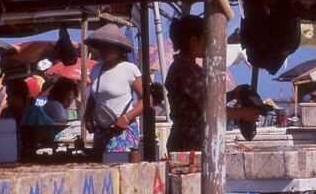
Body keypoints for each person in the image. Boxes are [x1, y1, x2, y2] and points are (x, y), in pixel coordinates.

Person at [164, 15, 262, 152]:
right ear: (193, 40)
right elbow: (210, 108)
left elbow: (206, 101)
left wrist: (233, 94)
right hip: (189, 144)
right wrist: (241, 113)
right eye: (205, 38)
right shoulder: (184, 71)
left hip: (194, 143)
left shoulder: (189, 69)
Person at [83, 24, 148, 163]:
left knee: (119, 170)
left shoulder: (129, 69)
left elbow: (148, 99)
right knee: (101, 171)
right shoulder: (96, 68)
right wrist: (87, 114)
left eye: (109, 46)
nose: (104, 50)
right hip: (102, 130)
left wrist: (126, 118)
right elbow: (94, 96)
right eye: (102, 46)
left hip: (122, 132)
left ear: (119, 49)